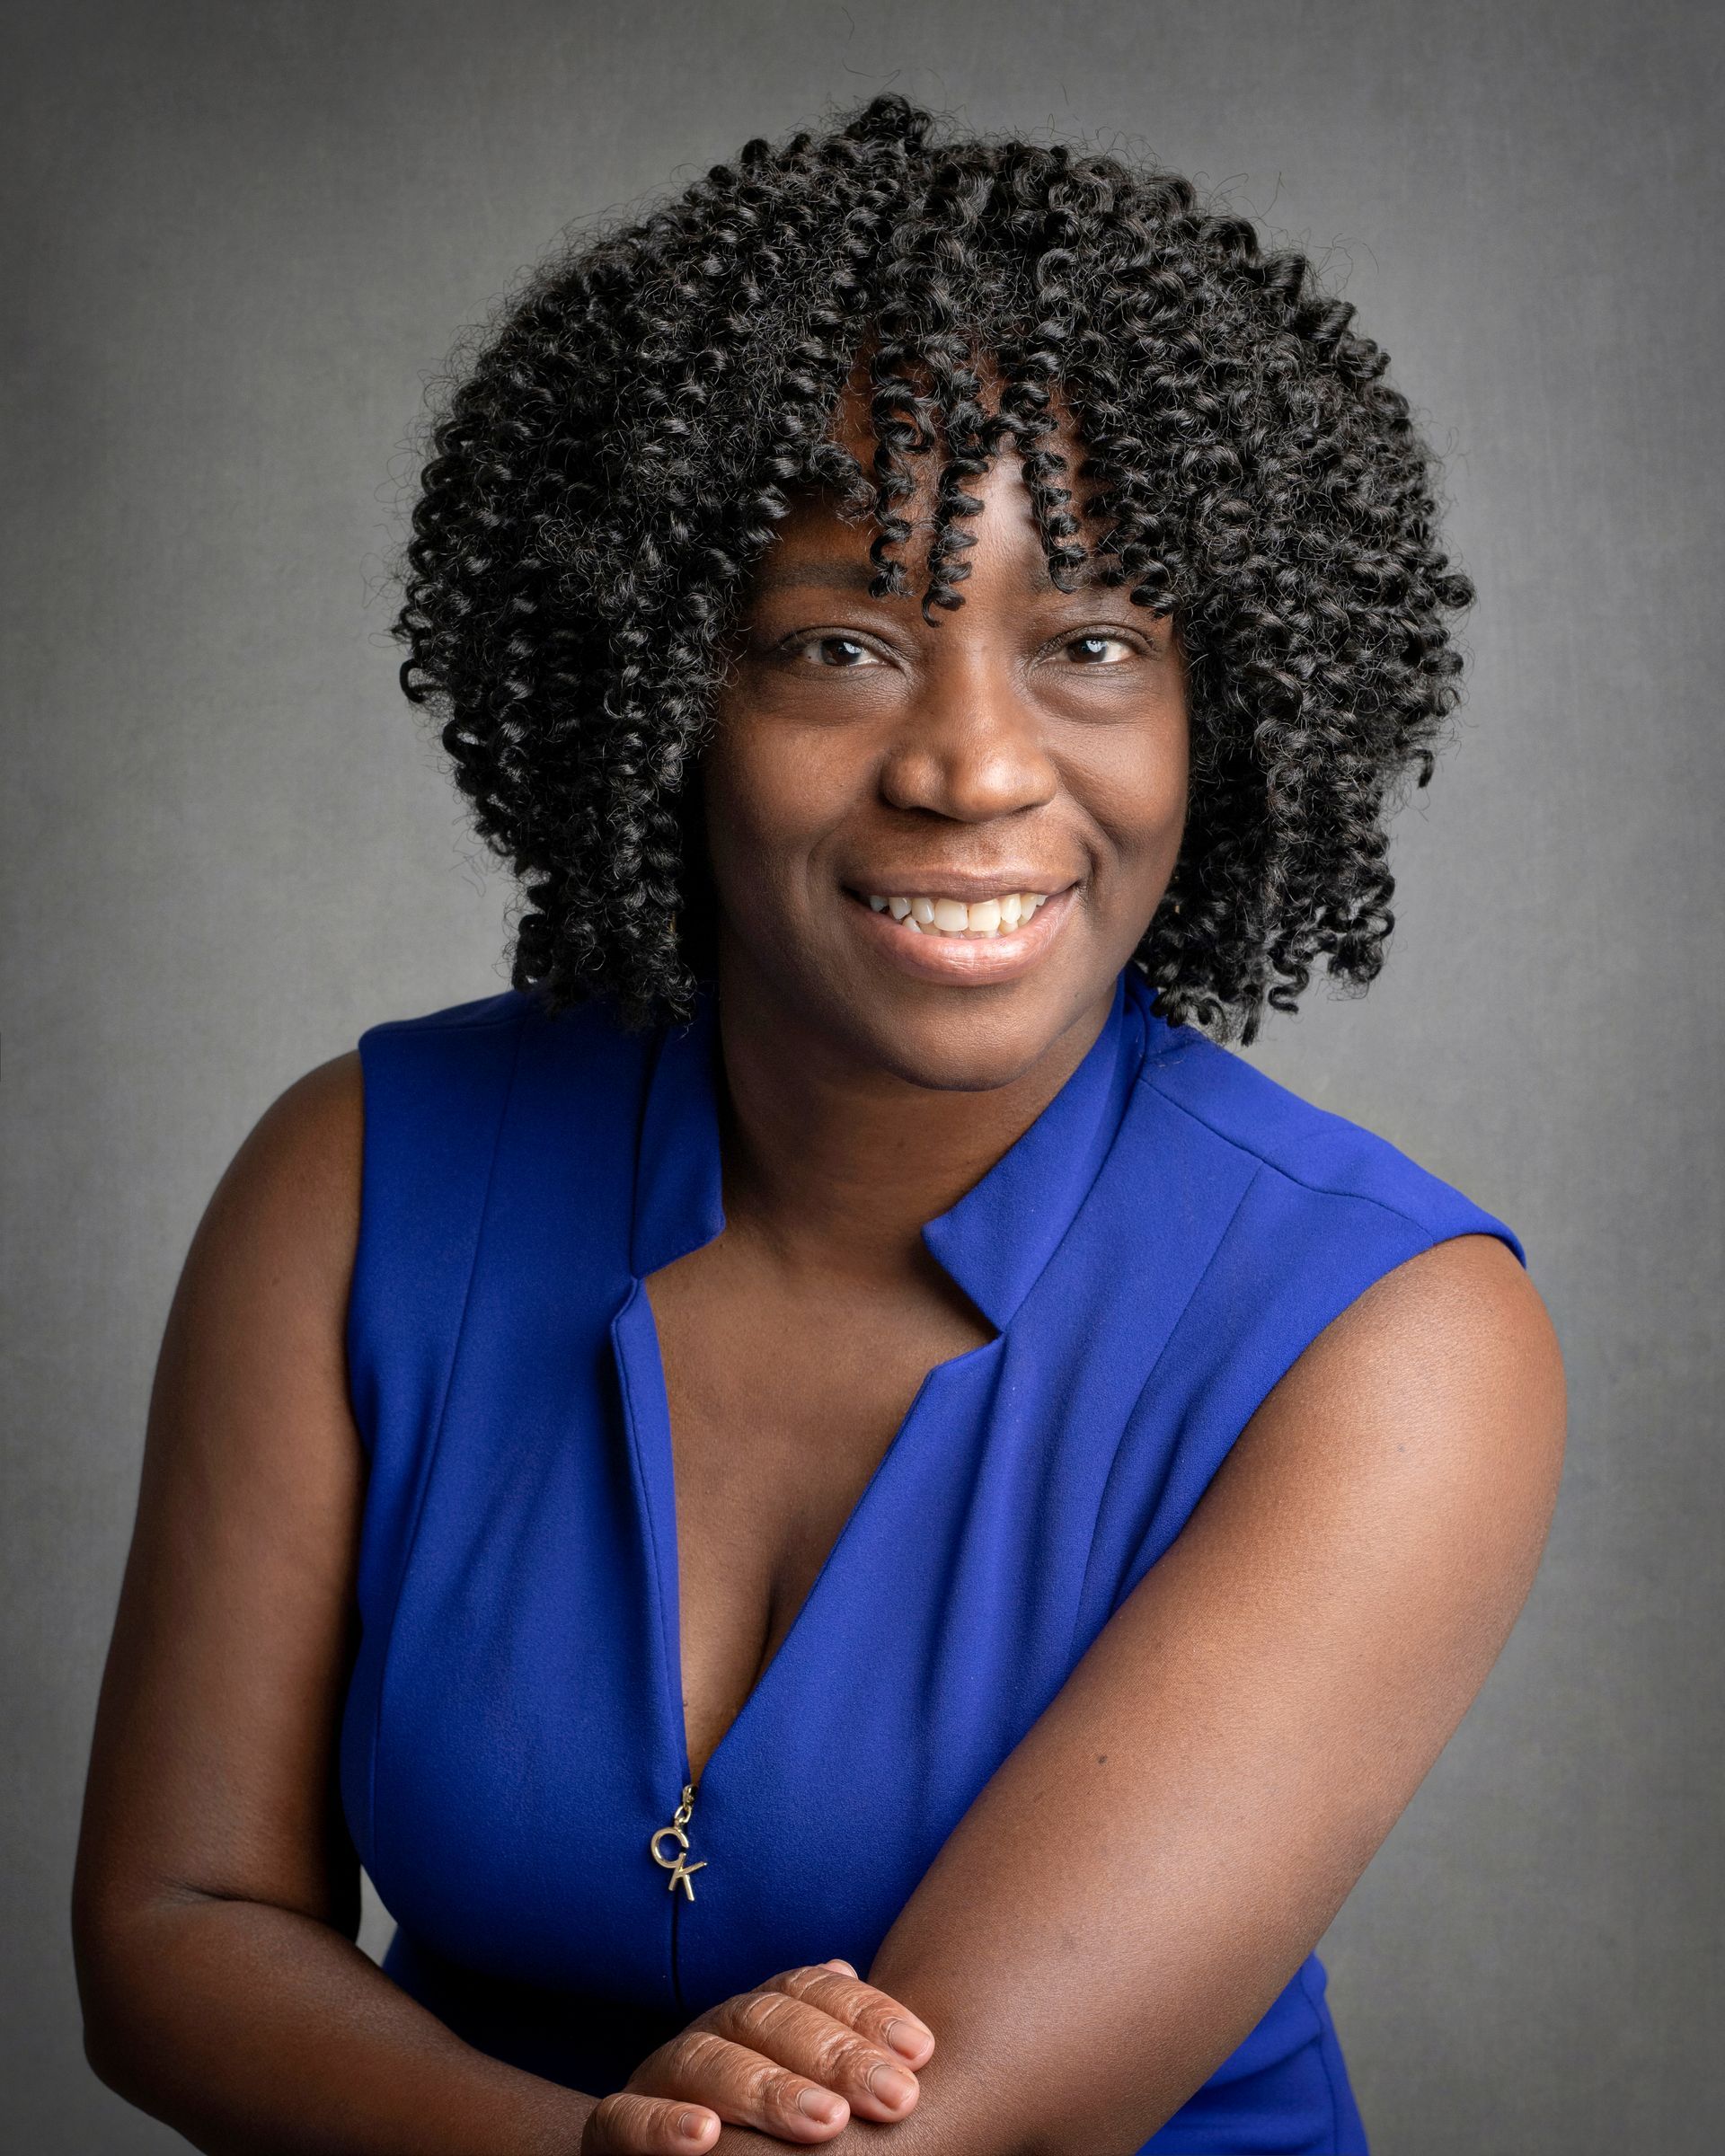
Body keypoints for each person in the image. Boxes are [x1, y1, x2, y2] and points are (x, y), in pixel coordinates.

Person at [71, 93, 1566, 2156]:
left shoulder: (1389, 1338)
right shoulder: (357, 1180)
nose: (971, 766)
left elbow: (938, 2134)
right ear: (658, 695)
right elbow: (180, 1924)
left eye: (1096, 647)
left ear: (1229, 711)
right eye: (840, 645)